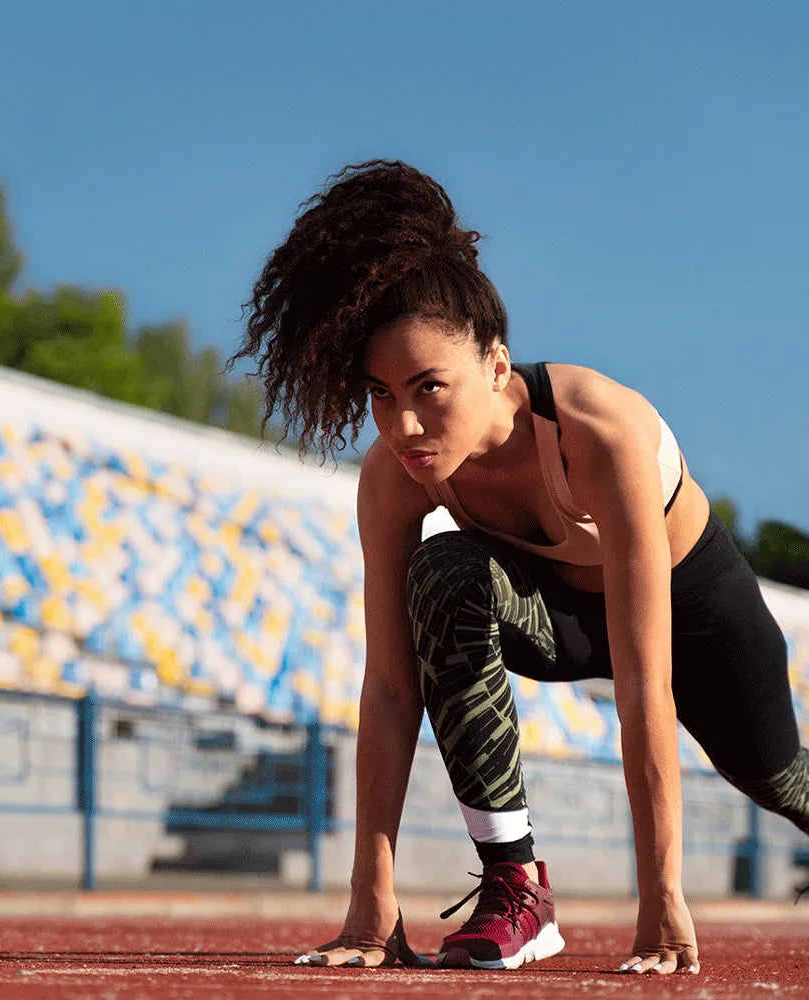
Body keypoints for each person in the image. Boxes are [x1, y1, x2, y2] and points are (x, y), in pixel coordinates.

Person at [228, 160, 809, 974]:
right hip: (556, 617)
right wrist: (371, 905)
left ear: (497, 365)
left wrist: (662, 897)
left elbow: (647, 686)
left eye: (430, 388)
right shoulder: (392, 477)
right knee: (444, 572)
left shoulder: (598, 431)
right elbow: (393, 689)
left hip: (692, 611)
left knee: (783, 784)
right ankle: (517, 889)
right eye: (380, 393)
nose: (403, 422)